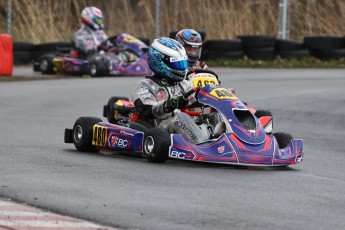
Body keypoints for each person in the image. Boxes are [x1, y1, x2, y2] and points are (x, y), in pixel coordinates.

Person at [131, 37, 225, 143]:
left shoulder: (184, 84)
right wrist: (171, 104)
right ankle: (203, 146)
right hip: (163, 128)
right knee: (181, 117)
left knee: (216, 113)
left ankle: (227, 142)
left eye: (182, 63)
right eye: (177, 64)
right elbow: (146, 109)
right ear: (160, 62)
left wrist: (206, 102)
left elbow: (194, 102)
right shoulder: (145, 86)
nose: (181, 68)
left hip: (191, 124)